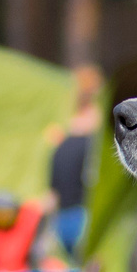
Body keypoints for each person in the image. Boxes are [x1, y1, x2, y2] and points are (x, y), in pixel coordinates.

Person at [45, 65, 103, 257]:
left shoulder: (62, 138)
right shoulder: (95, 136)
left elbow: (53, 190)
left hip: (63, 218)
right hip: (83, 216)